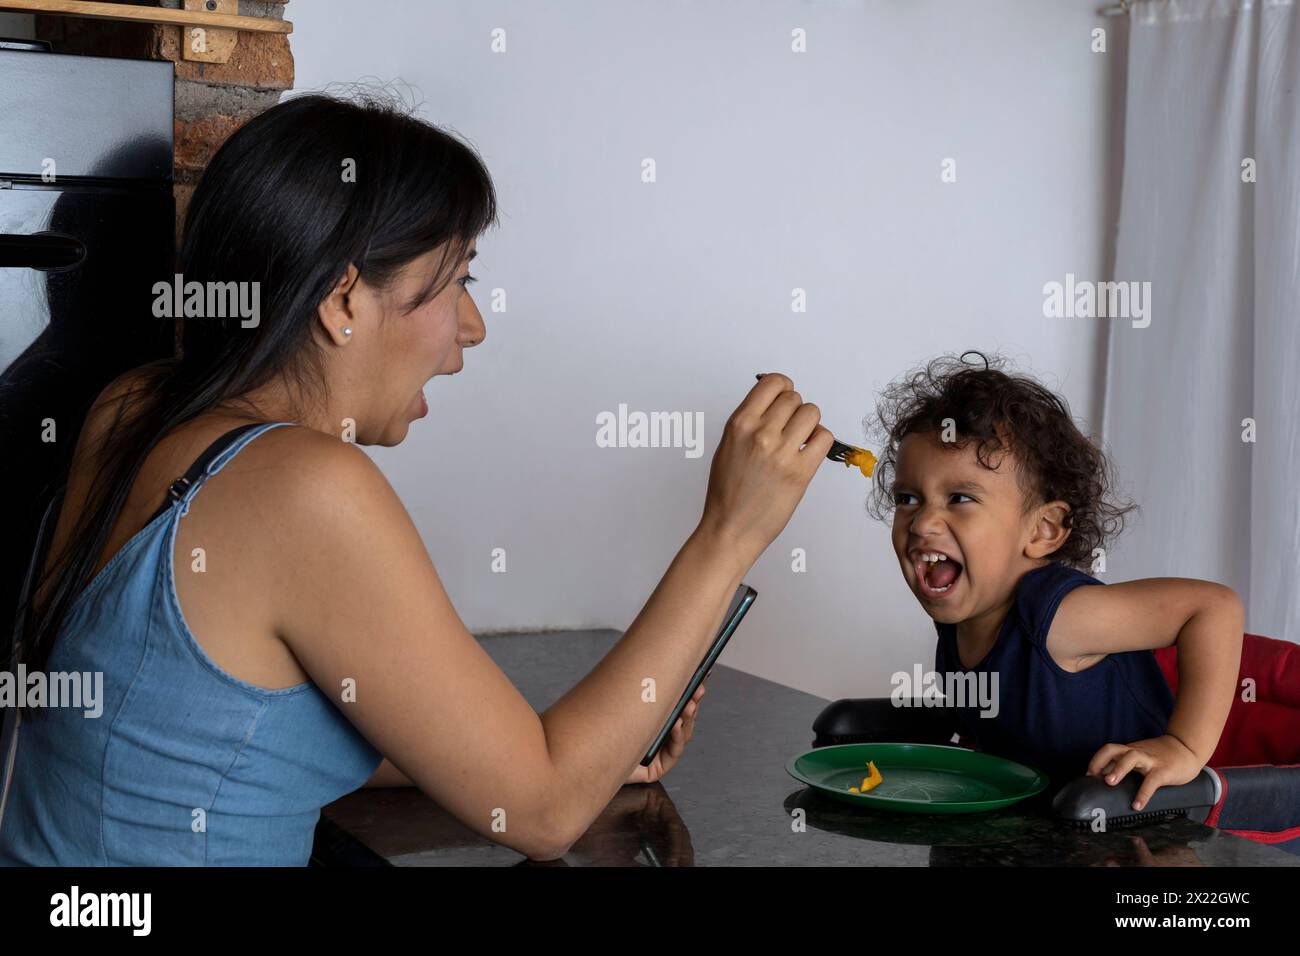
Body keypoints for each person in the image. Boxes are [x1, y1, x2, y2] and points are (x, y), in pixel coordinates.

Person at [0, 91, 833, 865]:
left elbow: (210, 735)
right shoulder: (306, 487)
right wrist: (730, 533)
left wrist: (582, 755)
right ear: (342, 300)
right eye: (458, 278)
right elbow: (542, 814)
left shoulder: (132, 408)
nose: (471, 326)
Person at [868, 352, 1243, 806]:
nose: (923, 522)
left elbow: (1214, 608)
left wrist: (1182, 747)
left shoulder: (1059, 616)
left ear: (1043, 530)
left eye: (960, 497)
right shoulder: (960, 610)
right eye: (908, 497)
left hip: (1139, 829)